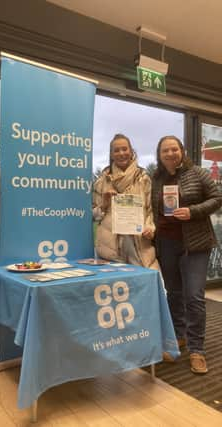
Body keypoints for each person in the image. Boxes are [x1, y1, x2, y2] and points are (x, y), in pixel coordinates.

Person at [151, 135, 222, 374]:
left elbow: (217, 198)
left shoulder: (199, 173)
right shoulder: (157, 178)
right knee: (174, 293)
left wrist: (192, 211)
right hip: (166, 243)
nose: (170, 154)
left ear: (181, 151)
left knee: (194, 296)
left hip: (196, 243)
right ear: (159, 156)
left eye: (174, 149)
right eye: (165, 151)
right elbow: (153, 208)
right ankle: (178, 336)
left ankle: (197, 349)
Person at [93, 133, 159, 269]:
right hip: (110, 246)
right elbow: (92, 215)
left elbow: (150, 209)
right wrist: (104, 204)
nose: (121, 153)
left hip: (139, 243)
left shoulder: (143, 178)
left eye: (124, 149)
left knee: (144, 284)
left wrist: (150, 228)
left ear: (131, 151)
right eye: (116, 150)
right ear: (111, 154)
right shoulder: (101, 181)